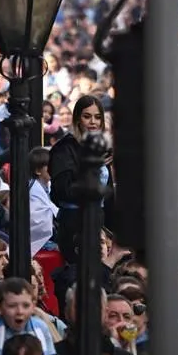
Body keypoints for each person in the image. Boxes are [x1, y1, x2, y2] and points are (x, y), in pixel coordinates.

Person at [49, 95, 113, 262]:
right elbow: (62, 191)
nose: (93, 122)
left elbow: (108, 191)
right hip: (73, 223)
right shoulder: (64, 149)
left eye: (97, 117)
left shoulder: (100, 147)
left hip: (99, 221)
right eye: (87, 116)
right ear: (78, 119)